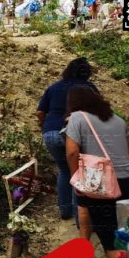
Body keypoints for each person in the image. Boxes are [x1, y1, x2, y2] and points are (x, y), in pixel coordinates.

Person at [64, 85, 129, 258]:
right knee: (128, 234)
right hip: (128, 181)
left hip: (103, 186)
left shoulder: (77, 118)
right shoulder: (118, 120)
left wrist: (77, 179)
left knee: (111, 240)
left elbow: (71, 152)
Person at [37, 57, 97, 220]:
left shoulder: (54, 87)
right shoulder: (89, 88)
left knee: (64, 171)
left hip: (51, 134)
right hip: (75, 134)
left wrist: (44, 127)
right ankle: (80, 218)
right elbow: (98, 112)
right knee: (79, 173)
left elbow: (40, 112)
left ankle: (65, 212)